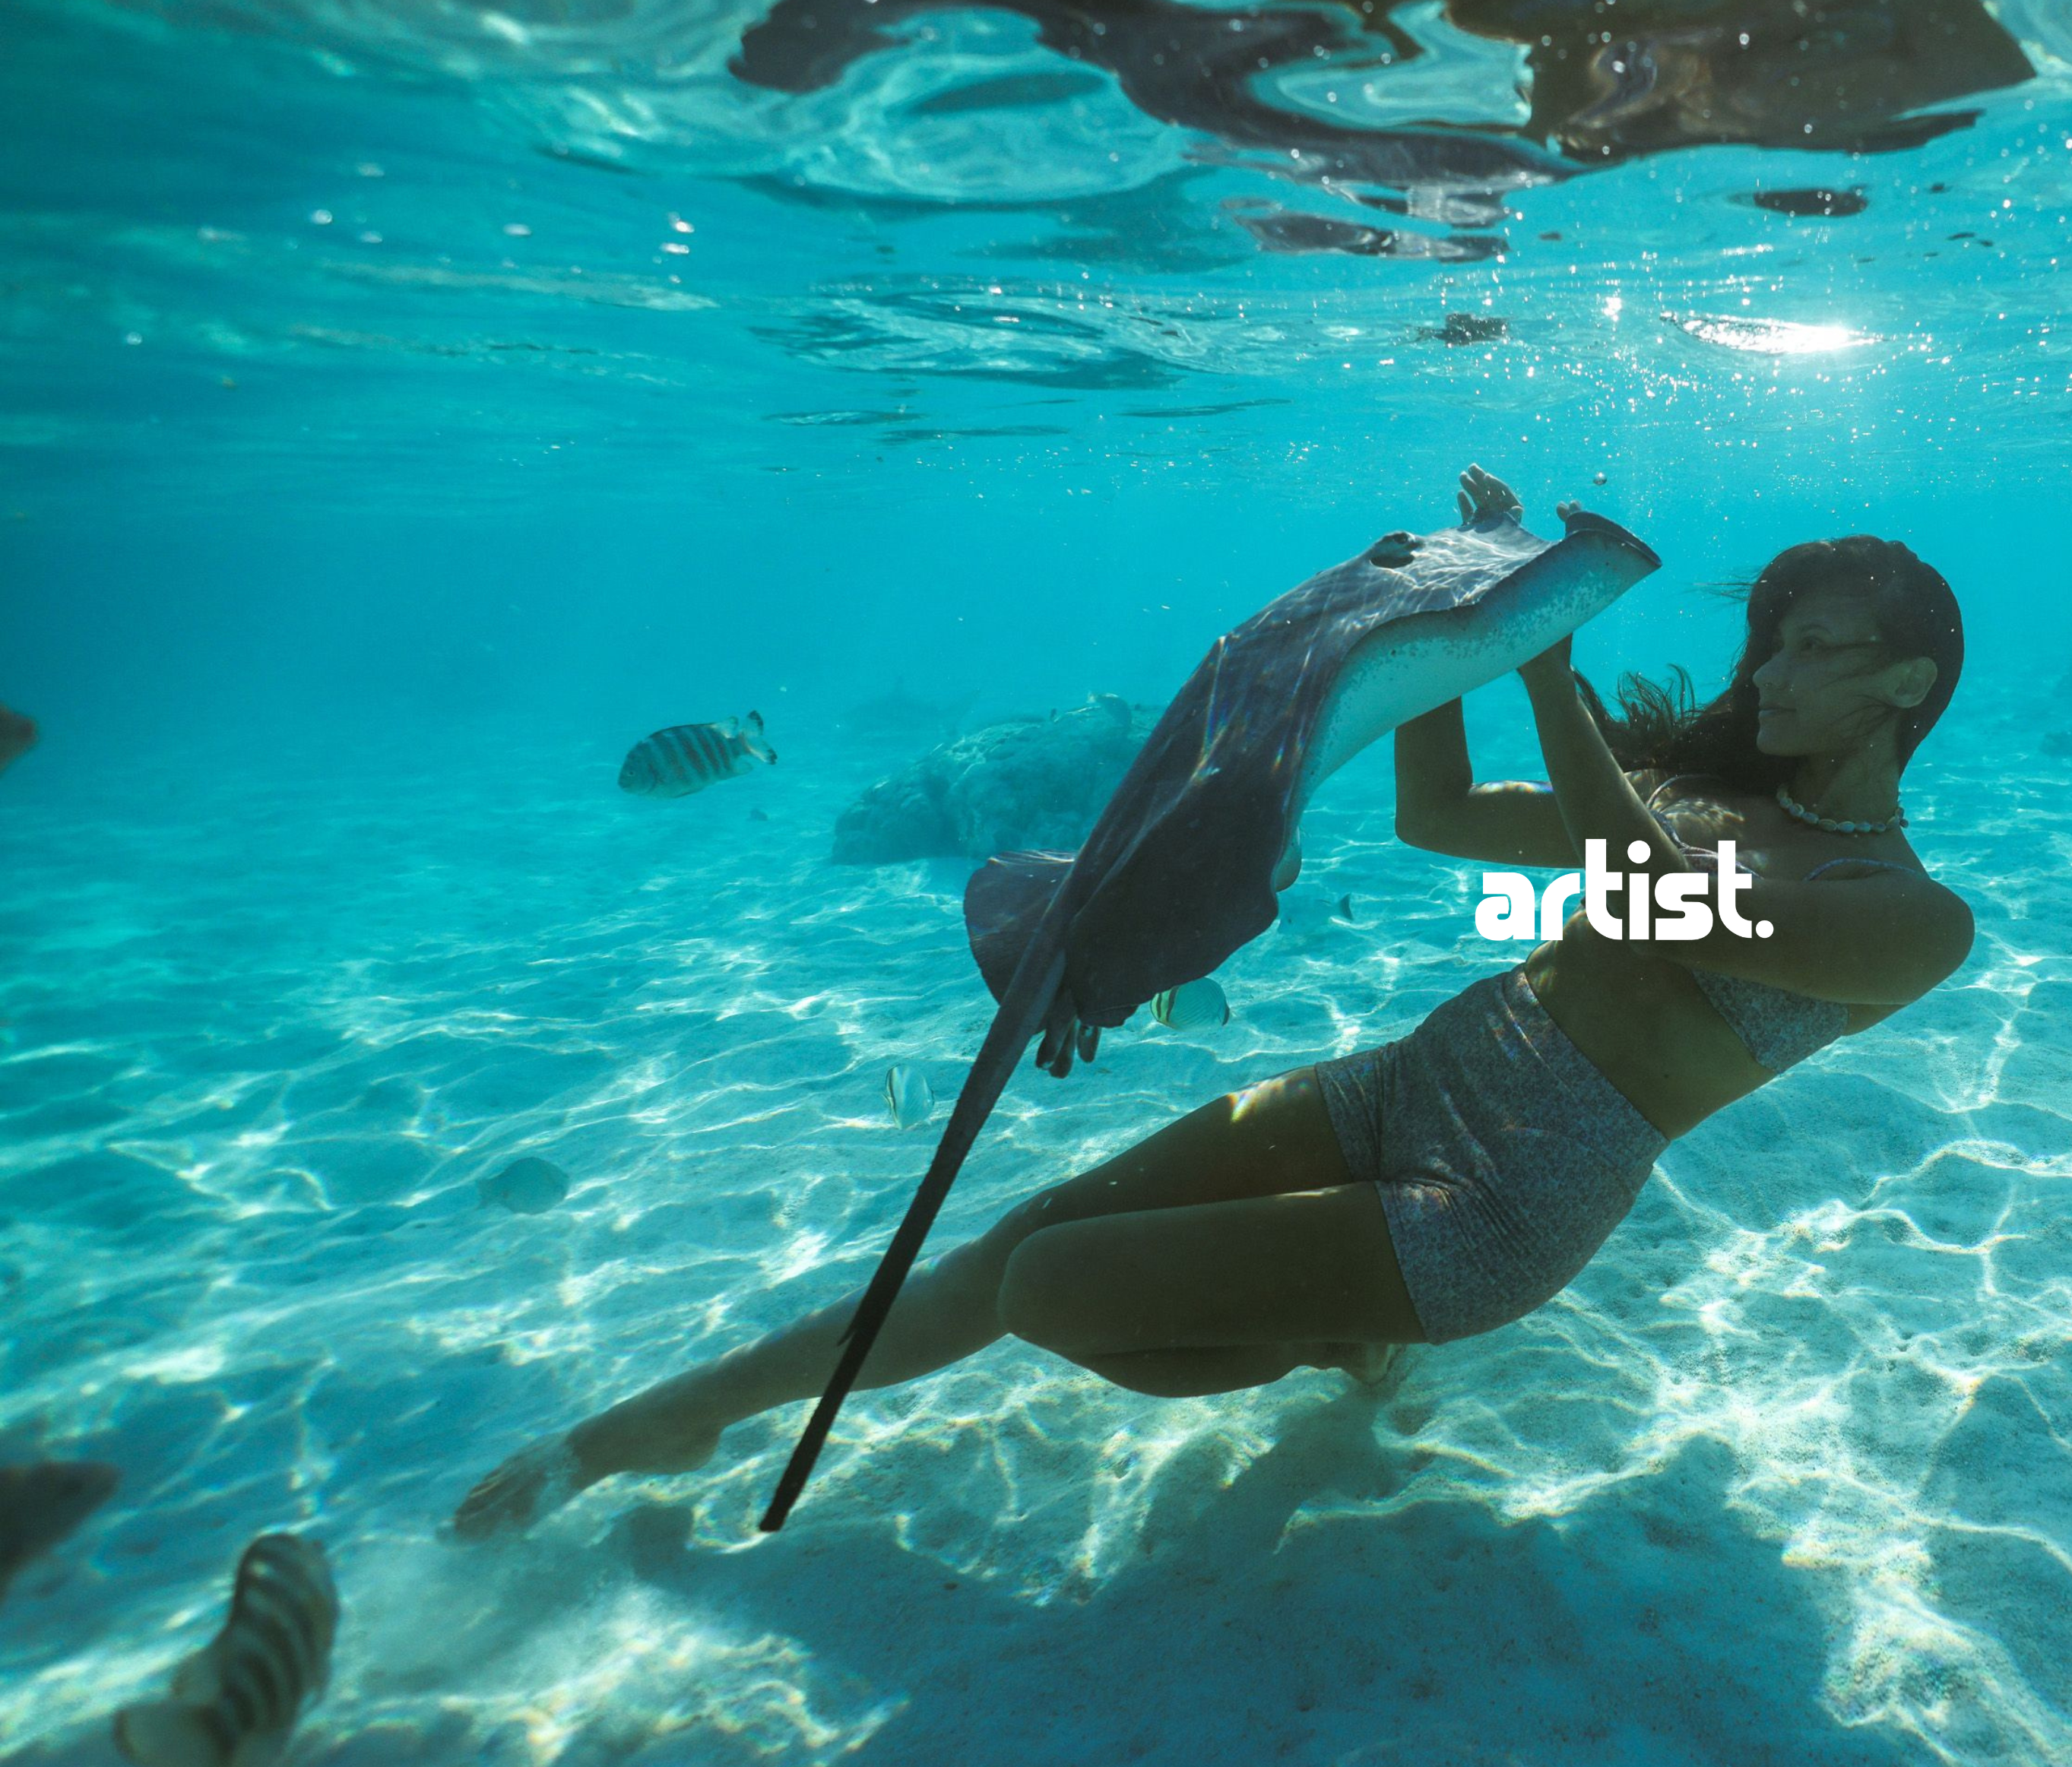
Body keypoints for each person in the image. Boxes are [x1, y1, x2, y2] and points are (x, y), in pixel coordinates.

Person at [454, 467, 1972, 1536]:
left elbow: (1647, 904)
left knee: (1052, 1295)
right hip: (1396, 1086)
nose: (1770, 669)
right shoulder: (1697, 798)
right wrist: (1457, 630)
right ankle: (667, 1418)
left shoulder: (1906, 922)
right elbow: (1439, 819)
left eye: (1820, 649)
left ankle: (1334, 1335)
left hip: (1494, 1203)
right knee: (1010, 1247)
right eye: (1773, 638)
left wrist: (1545, 660)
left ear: (1907, 688)